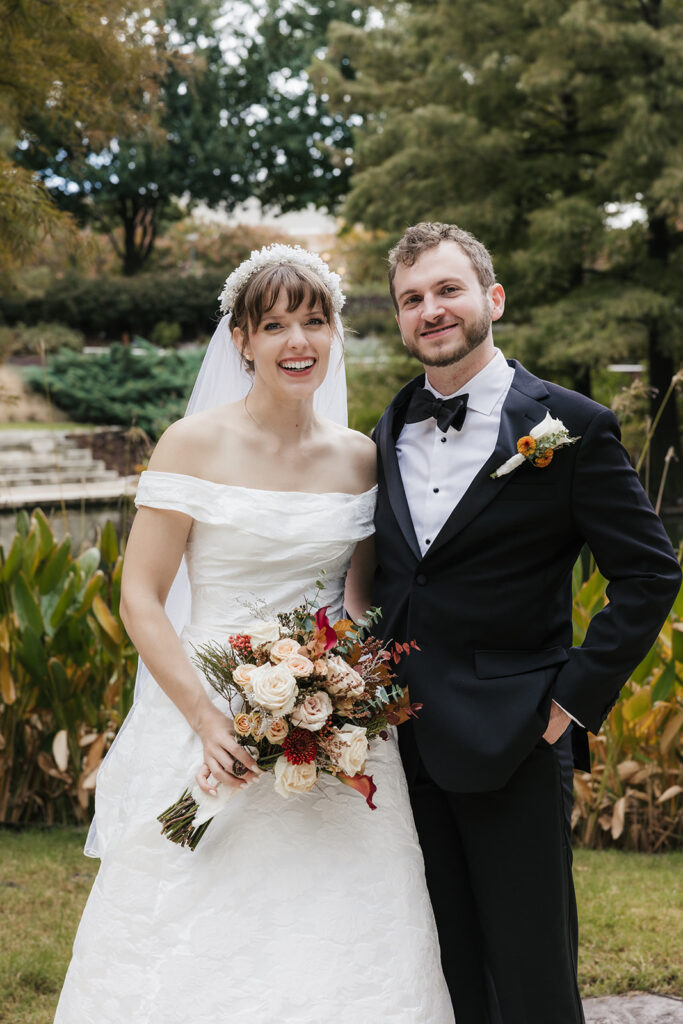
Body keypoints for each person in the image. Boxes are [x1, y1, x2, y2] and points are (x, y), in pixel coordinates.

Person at [54, 245, 454, 1023]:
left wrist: (342, 694)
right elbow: (140, 595)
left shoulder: (359, 458)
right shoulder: (191, 444)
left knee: (343, 919)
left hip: (332, 727)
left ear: (335, 333)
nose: (296, 342)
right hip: (201, 712)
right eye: (274, 325)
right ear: (240, 339)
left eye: (314, 321)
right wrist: (208, 723)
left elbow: (359, 601)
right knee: (189, 911)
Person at [371, 222, 682, 1024]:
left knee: (531, 969)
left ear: (491, 299)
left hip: (513, 737)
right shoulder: (386, 427)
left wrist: (566, 704)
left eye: (447, 290)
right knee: (440, 965)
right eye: (411, 299)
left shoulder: (569, 427)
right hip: (397, 741)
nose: (429, 311)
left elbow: (648, 574)